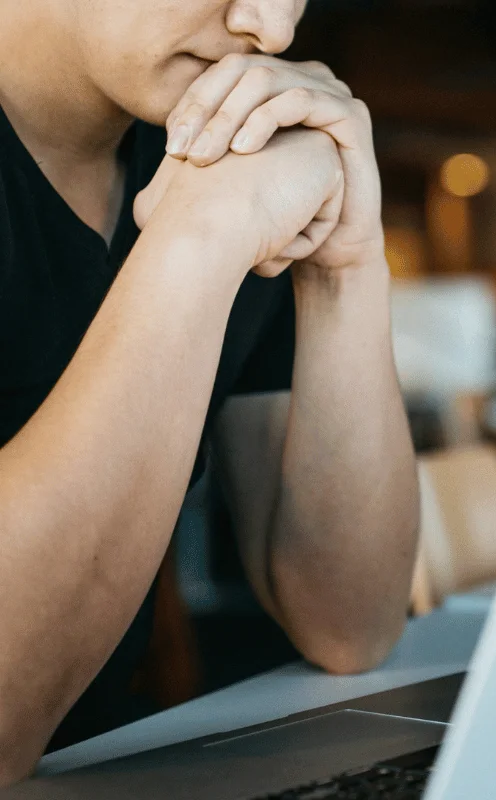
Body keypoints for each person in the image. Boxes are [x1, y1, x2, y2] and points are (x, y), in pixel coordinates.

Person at [0, 0, 420, 783]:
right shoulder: (223, 187)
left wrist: (346, 268)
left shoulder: (224, 149)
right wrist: (199, 239)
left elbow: (349, 625)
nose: (274, 29)